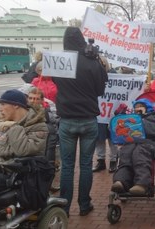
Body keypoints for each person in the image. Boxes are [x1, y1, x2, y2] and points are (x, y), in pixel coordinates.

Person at [52, 27, 108, 217]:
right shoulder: (92, 62)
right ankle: (84, 204)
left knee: (67, 166)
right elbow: (100, 90)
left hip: (67, 119)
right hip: (88, 119)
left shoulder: (59, 61)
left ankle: (64, 208)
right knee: (85, 165)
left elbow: (56, 83)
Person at [111, 98, 155, 195]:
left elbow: (153, 131)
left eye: (141, 106)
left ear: (148, 108)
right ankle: (121, 181)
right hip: (132, 142)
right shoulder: (132, 119)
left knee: (139, 153)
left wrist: (140, 119)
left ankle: (142, 184)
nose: (138, 108)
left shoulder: (154, 119)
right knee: (125, 153)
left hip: (149, 143)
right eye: (136, 107)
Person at [0, 89, 48, 167]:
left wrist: (14, 127)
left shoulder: (38, 125)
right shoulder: (7, 122)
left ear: (16, 105)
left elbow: (23, 151)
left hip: (14, 170)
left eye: (3, 104)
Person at [92, 56, 118, 173]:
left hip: (112, 115)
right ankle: (101, 160)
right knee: (99, 139)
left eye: (102, 63)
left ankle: (113, 160)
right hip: (99, 114)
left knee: (113, 139)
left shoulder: (114, 76)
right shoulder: (92, 76)